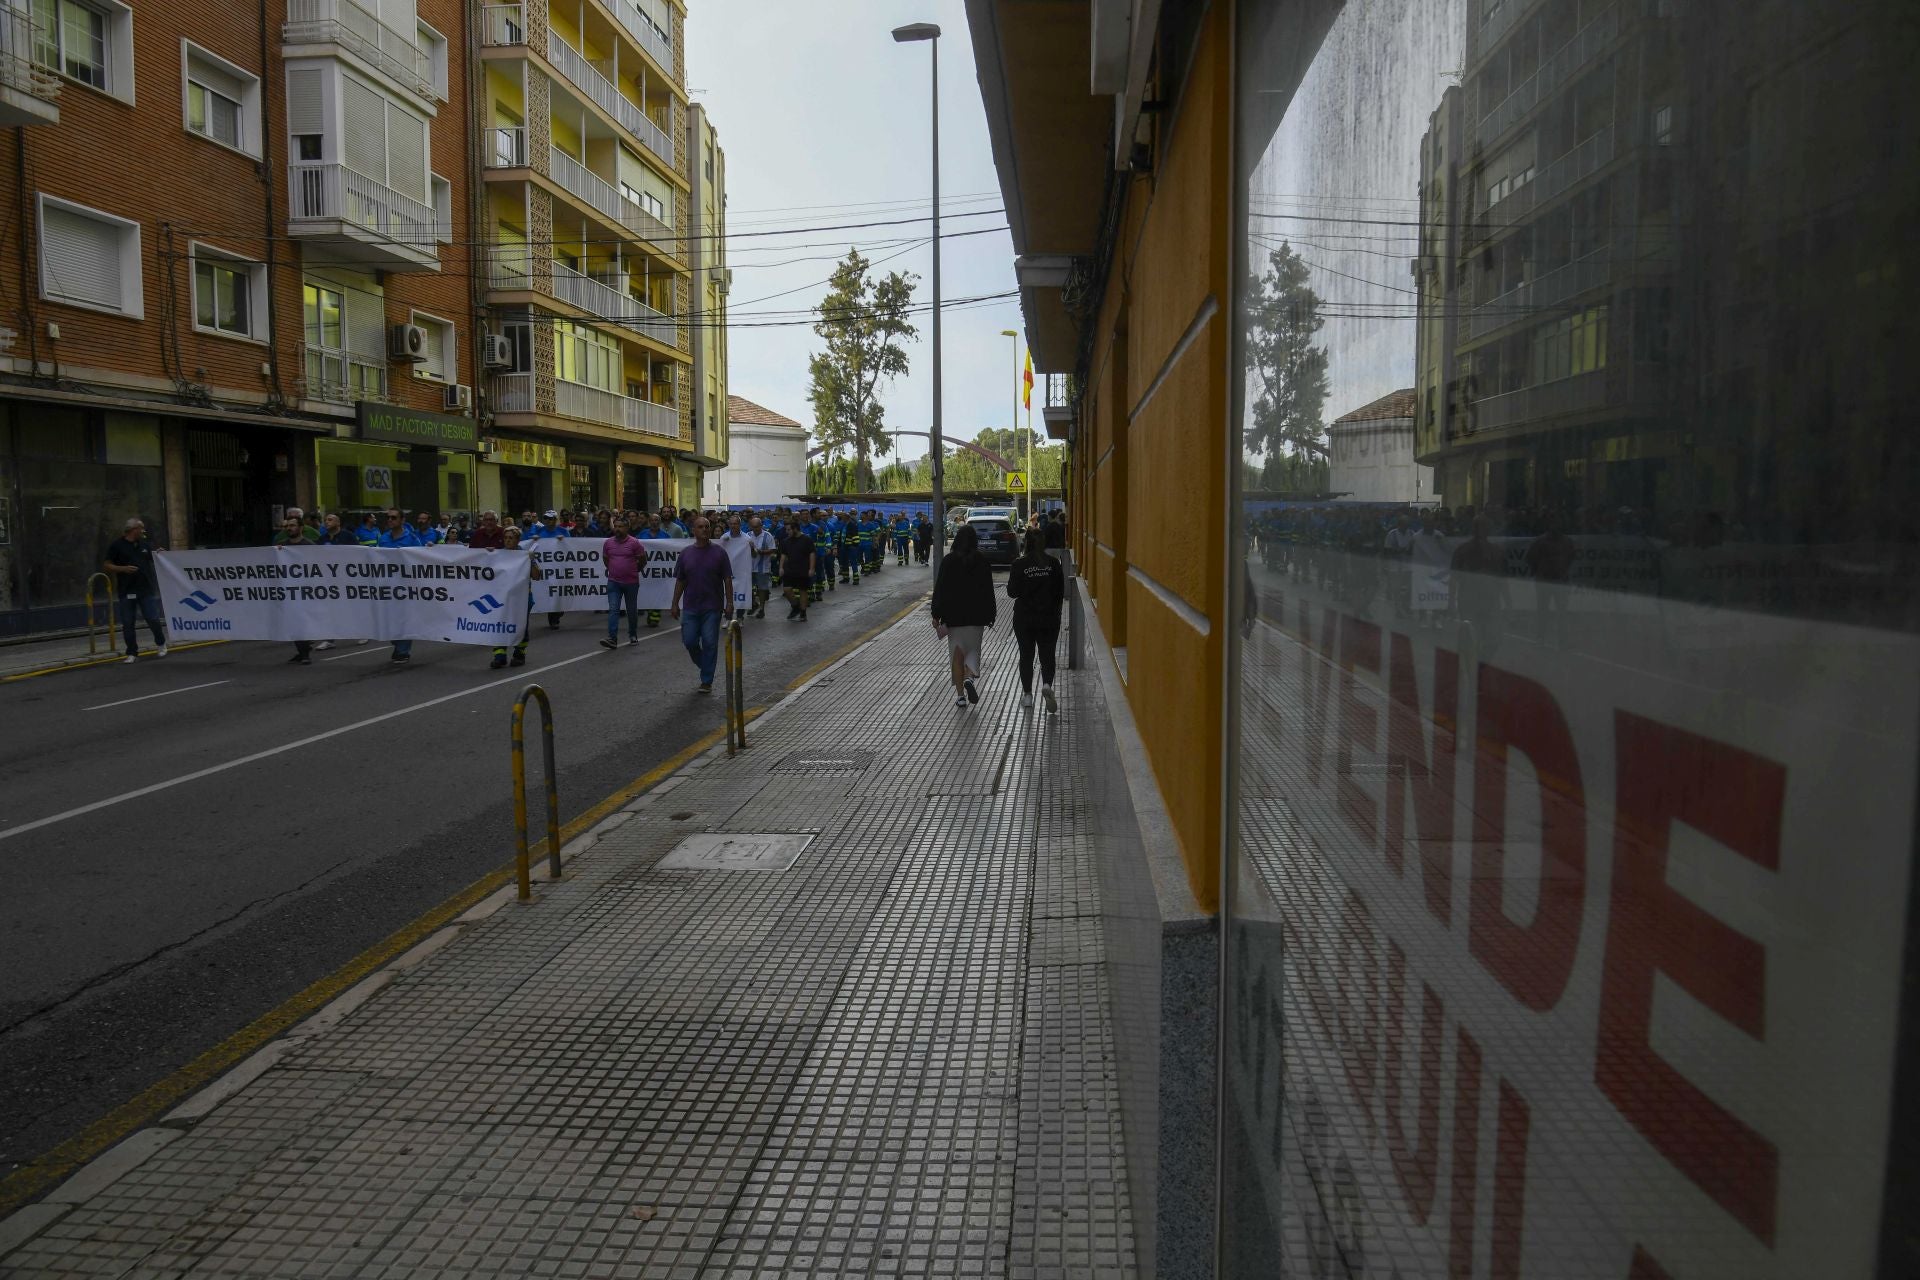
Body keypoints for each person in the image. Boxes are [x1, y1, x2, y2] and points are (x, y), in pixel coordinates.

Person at [930, 523, 997, 709]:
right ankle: (969, 677)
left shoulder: (949, 561)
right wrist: (991, 614)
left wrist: (936, 614)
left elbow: (941, 589)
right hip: (976, 617)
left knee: (957, 655)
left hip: (954, 617)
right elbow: (988, 591)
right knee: (974, 651)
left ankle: (960, 696)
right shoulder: (982, 561)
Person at [669, 514, 734, 694]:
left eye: (707, 526)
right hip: (690, 606)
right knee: (689, 641)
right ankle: (705, 665)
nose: (704, 529)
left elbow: (727, 579)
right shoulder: (686, 553)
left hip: (712, 607)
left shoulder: (719, 552)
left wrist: (730, 603)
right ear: (693, 530)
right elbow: (681, 580)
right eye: (700, 527)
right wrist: (674, 603)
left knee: (710, 642)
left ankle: (706, 680)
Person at [1006, 527, 1066, 712]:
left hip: (1025, 618)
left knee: (1026, 655)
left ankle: (1027, 695)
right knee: (1047, 655)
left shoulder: (1019, 564)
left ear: (1026, 543)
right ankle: (1047, 684)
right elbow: (1060, 592)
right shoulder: (1054, 563)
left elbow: (1011, 592)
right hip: (1048, 618)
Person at [103, 517, 167, 664]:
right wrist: (123, 569)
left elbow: (155, 557)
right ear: (133, 530)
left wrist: (159, 553)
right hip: (126, 590)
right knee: (128, 622)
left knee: (152, 618)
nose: (143, 531)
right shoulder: (117, 546)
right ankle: (132, 652)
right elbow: (107, 565)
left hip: (145, 589)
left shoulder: (144, 544)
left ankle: (161, 643)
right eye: (141, 528)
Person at [376, 508, 423, 662]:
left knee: (403, 619)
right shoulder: (383, 538)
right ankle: (397, 642)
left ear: (402, 520)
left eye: (394, 517)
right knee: (389, 619)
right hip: (386, 585)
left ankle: (403, 651)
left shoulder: (412, 539)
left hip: (405, 586)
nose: (390, 520)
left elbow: (420, 560)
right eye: (388, 517)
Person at [272, 515, 321, 664]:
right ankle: (302, 651)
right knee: (292, 622)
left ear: (300, 528)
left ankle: (304, 653)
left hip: (305, 590)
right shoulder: (282, 545)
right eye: (287, 526)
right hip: (288, 590)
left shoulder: (310, 546)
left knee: (301, 621)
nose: (289, 528)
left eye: (292, 525)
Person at [490, 524, 538, 669]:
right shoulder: (498, 555)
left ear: (518, 540)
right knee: (499, 624)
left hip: (522, 598)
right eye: (505, 538)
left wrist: (531, 561)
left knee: (521, 626)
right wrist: (487, 555)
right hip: (502, 598)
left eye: (511, 538)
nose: (507, 540)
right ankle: (500, 656)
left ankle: (519, 653)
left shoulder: (524, 555)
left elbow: (537, 576)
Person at [1525, 510, 1576, 648]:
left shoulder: (1567, 542)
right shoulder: (1541, 542)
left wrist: (1563, 570)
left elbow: (1571, 557)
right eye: (1553, 522)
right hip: (1544, 581)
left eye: (1558, 522)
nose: (1556, 525)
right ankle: (1541, 638)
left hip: (1560, 580)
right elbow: (1529, 558)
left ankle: (1562, 640)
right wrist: (1538, 571)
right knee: (1543, 610)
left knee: (1562, 612)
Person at [598, 515, 646, 649]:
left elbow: (643, 560)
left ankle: (633, 634)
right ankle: (612, 638)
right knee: (613, 610)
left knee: (631, 610)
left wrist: (634, 570)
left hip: (631, 583)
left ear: (627, 528)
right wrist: (615, 570)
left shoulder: (634, 543)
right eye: (616, 526)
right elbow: (606, 559)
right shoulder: (608, 543)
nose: (617, 529)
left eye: (621, 526)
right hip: (614, 582)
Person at [780, 520, 814, 620]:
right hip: (789, 570)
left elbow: (812, 554)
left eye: (789, 530)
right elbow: (783, 554)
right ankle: (795, 607)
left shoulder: (806, 539)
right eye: (786, 530)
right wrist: (781, 567)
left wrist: (811, 569)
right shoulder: (786, 541)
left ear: (795, 529)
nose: (787, 532)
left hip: (803, 569)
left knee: (803, 591)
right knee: (787, 590)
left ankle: (803, 613)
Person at [746, 516, 775, 618]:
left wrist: (760, 551)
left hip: (763, 567)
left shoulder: (768, 536)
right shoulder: (748, 535)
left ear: (761, 525)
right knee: (748, 588)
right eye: (753, 527)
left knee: (762, 589)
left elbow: (772, 549)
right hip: (749, 567)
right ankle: (753, 604)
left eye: (757, 526)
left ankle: (762, 609)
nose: (755, 529)